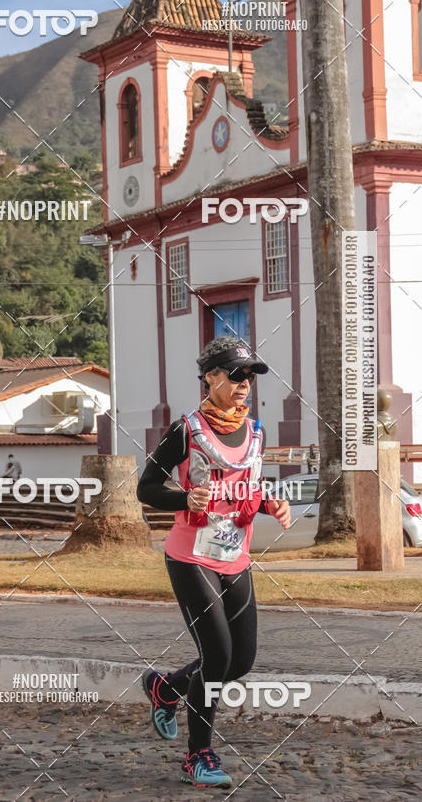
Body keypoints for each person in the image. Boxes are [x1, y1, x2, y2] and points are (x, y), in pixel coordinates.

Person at [137, 336, 291, 788]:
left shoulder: (256, 432)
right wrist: (184, 496)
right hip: (191, 556)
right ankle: (198, 757)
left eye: (251, 376)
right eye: (237, 375)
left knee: (240, 661)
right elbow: (146, 488)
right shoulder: (187, 430)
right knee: (217, 655)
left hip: (235, 558)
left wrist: (270, 505)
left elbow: (248, 490)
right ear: (211, 377)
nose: (245, 385)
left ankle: (165, 688)